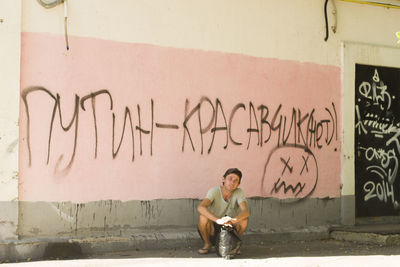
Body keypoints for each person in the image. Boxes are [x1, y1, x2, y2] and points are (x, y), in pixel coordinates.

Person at [197, 168, 250, 254]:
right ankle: (207, 244)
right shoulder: (214, 191)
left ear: (238, 184)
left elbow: (246, 212)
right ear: (223, 179)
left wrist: (234, 220)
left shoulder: (239, 192)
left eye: (236, 181)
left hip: (228, 227)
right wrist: (218, 220)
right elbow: (201, 207)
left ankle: (233, 245)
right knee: (203, 217)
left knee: (243, 221)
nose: (232, 182)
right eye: (230, 179)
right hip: (213, 228)